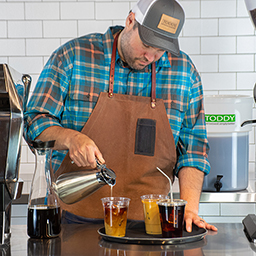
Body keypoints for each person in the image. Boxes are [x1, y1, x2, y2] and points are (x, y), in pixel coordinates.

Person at [24, 0, 217, 232]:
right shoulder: (73, 56)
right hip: (72, 222)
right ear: (130, 21)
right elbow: (34, 122)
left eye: (161, 49)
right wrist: (70, 138)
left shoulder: (184, 72)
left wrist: (190, 209)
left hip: (153, 227)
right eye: (147, 44)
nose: (151, 56)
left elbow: (193, 151)